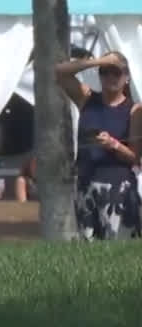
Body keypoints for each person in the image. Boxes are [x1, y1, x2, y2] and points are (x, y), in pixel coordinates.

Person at [55, 50, 142, 239]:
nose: (110, 76)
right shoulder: (86, 99)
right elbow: (60, 71)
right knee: (89, 250)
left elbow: (135, 157)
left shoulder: (134, 110)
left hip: (118, 187)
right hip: (86, 183)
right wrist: (100, 61)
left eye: (116, 72)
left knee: (117, 249)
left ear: (126, 77)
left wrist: (113, 145)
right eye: (105, 72)